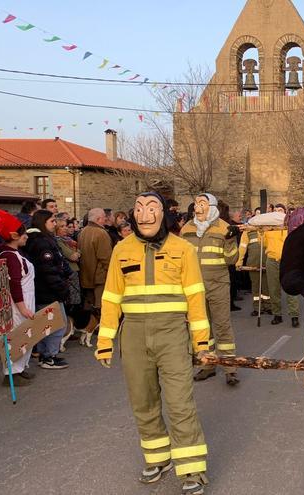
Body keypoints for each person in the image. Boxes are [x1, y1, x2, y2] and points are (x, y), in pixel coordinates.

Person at [95, 192, 210, 495]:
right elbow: (110, 298)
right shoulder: (122, 249)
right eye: (139, 209)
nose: (145, 215)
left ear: (163, 214)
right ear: (133, 214)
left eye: (152, 208)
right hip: (133, 335)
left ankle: (192, 469)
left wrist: (202, 343)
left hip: (172, 334)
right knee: (143, 401)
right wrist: (105, 340)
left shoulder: (182, 249)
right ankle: (158, 459)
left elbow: (196, 298)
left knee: (180, 403)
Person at [180, 193, 241, 386]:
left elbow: (231, 260)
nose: (197, 207)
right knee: (201, 329)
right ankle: (208, 365)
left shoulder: (224, 228)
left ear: (212, 207)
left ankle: (230, 368)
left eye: (202, 203)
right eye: (196, 203)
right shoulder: (187, 229)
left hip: (218, 285)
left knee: (222, 327)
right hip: (195, 287)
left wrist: (231, 241)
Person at [23, 210, 72, 370]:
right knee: (57, 324)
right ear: (43, 222)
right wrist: (61, 288)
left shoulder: (43, 240)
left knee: (48, 325)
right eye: (52, 221)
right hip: (48, 291)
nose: (55, 224)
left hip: (45, 290)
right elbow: (48, 270)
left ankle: (46, 354)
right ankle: (49, 356)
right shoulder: (41, 242)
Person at [0, 220, 36, 386]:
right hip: (18, 302)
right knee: (15, 335)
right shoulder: (9, 256)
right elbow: (14, 283)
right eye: (23, 234)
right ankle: (12, 372)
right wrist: (22, 307)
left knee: (25, 334)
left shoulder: (10, 253)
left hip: (25, 298)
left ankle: (20, 368)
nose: (26, 236)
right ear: (14, 236)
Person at [263, 204, 299, 327]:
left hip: (287, 260)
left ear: (285, 213)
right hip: (272, 260)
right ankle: (277, 314)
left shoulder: (290, 227)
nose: (278, 213)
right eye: (276, 210)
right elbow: (263, 243)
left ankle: (294, 315)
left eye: (281, 211)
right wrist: (263, 232)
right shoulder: (269, 229)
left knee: (291, 287)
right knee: (274, 289)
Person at [79, 208, 112, 324]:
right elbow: (105, 258)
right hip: (99, 276)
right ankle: (101, 327)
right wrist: (112, 273)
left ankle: (89, 326)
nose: (105, 220)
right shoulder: (101, 233)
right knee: (100, 304)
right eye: (104, 218)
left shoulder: (83, 231)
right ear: (98, 219)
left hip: (86, 275)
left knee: (89, 304)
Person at [236, 228, 270, 317]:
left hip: (267, 261)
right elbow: (242, 247)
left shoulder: (269, 228)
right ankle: (257, 308)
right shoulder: (248, 231)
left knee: (267, 286)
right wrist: (239, 262)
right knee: (255, 286)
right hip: (253, 263)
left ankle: (268, 306)